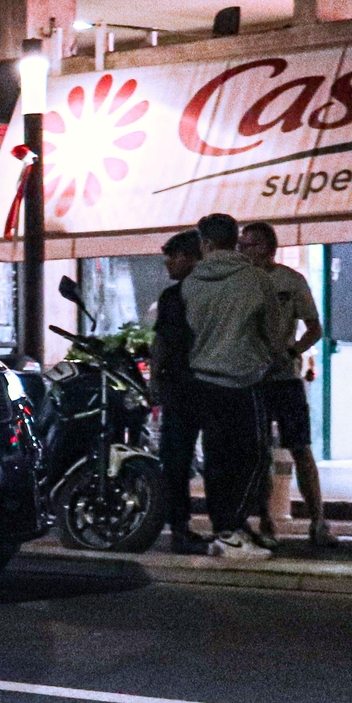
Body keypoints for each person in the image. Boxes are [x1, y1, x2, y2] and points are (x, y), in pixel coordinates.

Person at [181, 213, 291, 561]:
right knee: (254, 458)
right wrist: (276, 359)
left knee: (216, 459)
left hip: (203, 381)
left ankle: (223, 528)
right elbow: (272, 335)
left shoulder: (190, 283)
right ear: (235, 241)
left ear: (205, 243)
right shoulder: (256, 280)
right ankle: (233, 527)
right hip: (246, 381)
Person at [241, 221, 335, 550]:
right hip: (252, 378)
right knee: (259, 452)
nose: (246, 250)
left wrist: (293, 351)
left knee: (301, 449)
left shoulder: (290, 281)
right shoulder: (238, 283)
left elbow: (314, 328)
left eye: (252, 244)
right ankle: (266, 521)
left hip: (285, 377)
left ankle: (318, 521)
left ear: (269, 247)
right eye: (243, 245)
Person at [149, 230, 207, 554]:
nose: (168, 263)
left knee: (176, 459)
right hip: (209, 382)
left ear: (189, 257)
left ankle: (181, 528)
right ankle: (218, 528)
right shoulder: (211, 293)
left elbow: (162, 343)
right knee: (212, 458)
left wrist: (155, 380)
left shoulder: (174, 297)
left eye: (172, 257)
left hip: (181, 386)